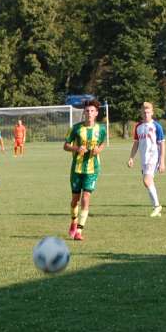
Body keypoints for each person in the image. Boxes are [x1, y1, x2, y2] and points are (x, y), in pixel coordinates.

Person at [64, 99, 107, 241]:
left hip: (92, 169)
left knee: (86, 197)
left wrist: (98, 150)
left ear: (96, 113)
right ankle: (74, 221)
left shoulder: (101, 129)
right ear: (84, 112)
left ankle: (79, 232)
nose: (89, 113)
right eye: (87, 111)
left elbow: (102, 144)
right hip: (77, 168)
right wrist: (76, 148)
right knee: (75, 200)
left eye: (92, 111)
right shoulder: (76, 128)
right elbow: (65, 145)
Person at [127, 101, 166, 217]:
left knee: (147, 181)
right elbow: (136, 144)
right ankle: (156, 208)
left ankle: (157, 206)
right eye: (144, 112)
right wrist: (131, 157)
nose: (146, 114)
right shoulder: (138, 127)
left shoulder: (156, 126)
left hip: (153, 158)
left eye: (148, 112)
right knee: (148, 183)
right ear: (141, 113)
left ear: (152, 113)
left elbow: (162, 144)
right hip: (143, 159)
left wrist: (162, 161)